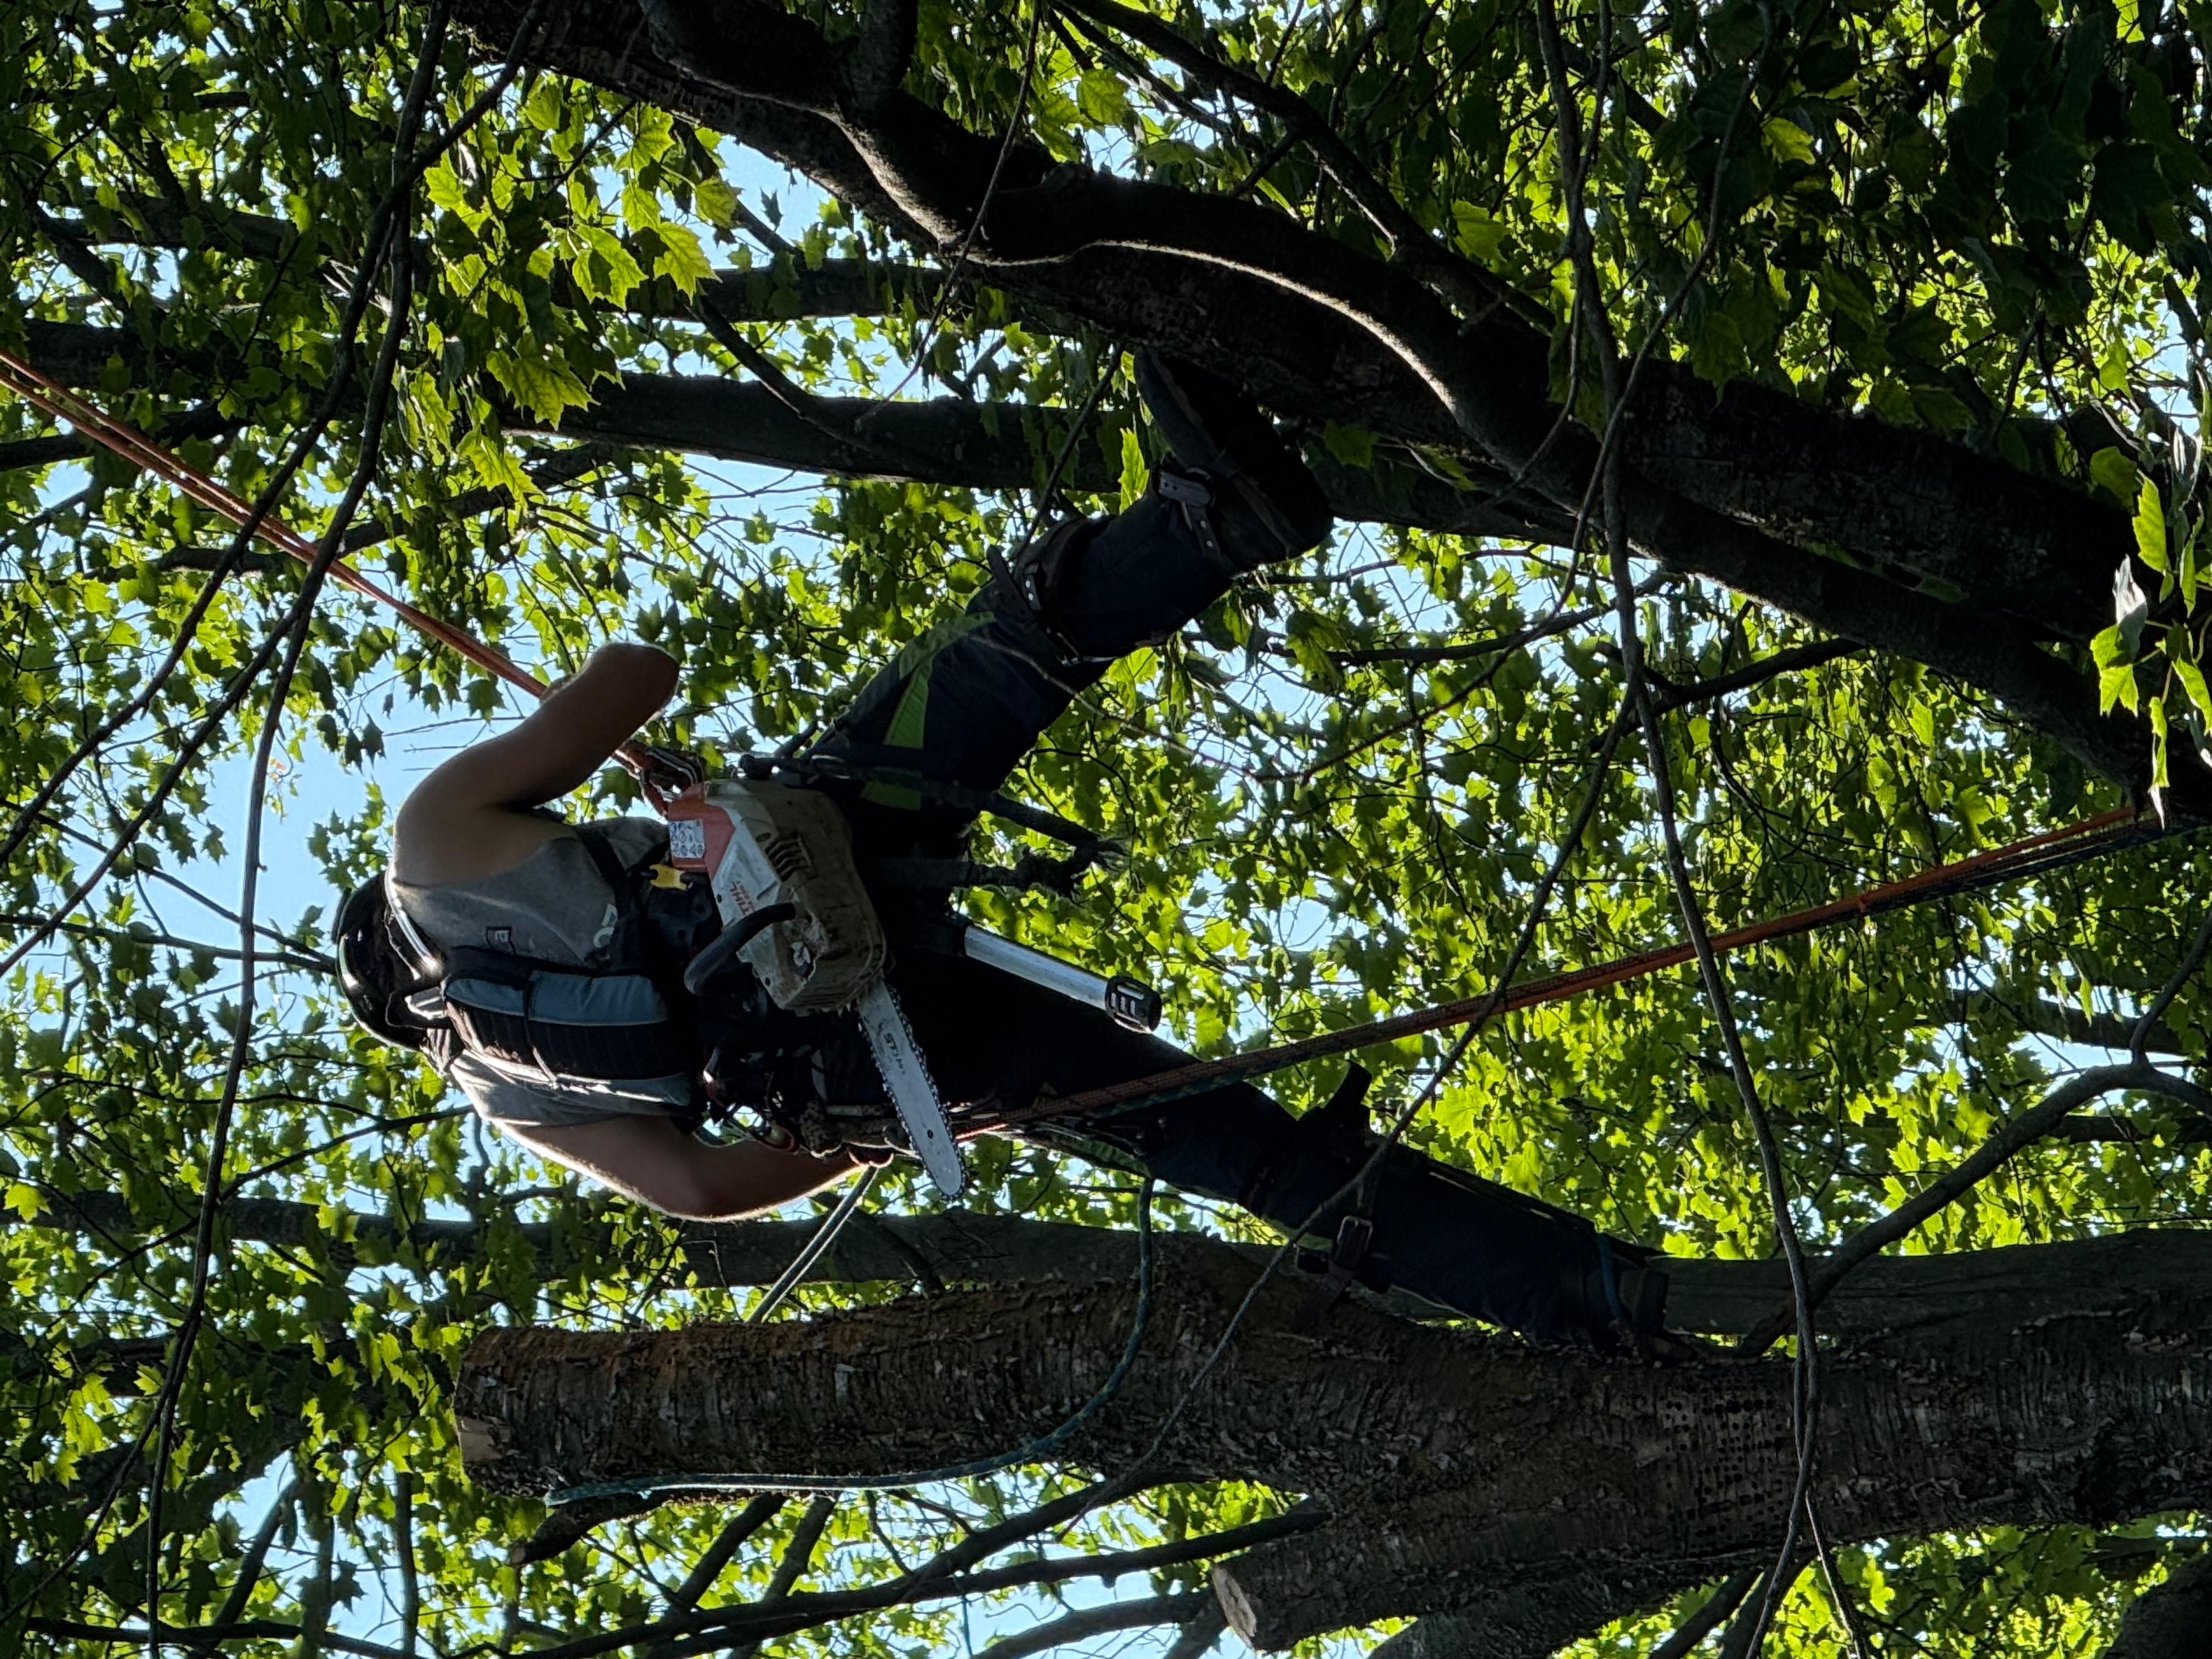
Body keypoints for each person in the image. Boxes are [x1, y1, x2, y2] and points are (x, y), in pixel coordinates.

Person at [337, 352, 1673, 1349]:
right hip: (802, 866)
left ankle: (1578, 1297)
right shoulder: (428, 854)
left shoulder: (500, 1092)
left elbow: (698, 1187)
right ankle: (1210, 520)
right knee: (988, 668)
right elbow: (639, 672)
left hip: (868, 1046)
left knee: (1236, 1152)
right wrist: (648, 785)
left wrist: (878, 1126)